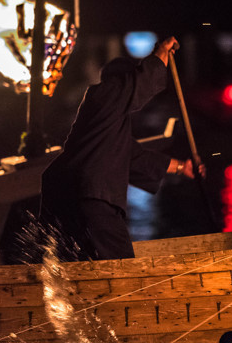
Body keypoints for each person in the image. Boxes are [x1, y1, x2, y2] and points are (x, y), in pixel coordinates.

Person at [39, 36, 203, 261]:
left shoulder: (108, 123)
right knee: (120, 262)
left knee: (76, 261)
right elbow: (140, 82)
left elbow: (134, 158)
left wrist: (182, 167)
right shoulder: (106, 94)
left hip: (68, 196)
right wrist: (160, 54)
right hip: (91, 198)